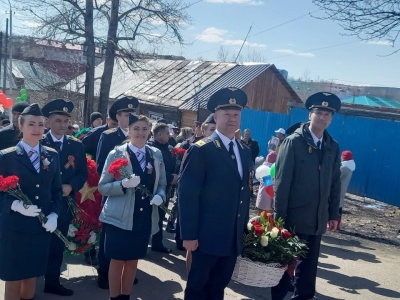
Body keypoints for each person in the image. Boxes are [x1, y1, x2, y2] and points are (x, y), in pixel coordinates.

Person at [179, 87, 253, 299]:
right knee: (197, 288)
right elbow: (188, 194)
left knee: (218, 288)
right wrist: (189, 235)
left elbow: (244, 191)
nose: (232, 119)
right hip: (205, 236)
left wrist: (244, 231)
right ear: (216, 116)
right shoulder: (202, 149)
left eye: (236, 114)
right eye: (227, 114)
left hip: (231, 236)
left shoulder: (244, 150)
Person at [273, 92, 342, 300]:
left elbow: (335, 182)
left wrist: (333, 213)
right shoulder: (294, 143)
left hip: (317, 219)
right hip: (294, 219)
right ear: (310, 115)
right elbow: (282, 183)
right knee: (284, 266)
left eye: (327, 114)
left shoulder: (333, 146)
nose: (322, 118)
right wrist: (280, 218)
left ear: (331, 118)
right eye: (319, 113)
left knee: (309, 269)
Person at [98, 114, 167, 300]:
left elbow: (162, 184)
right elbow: (102, 187)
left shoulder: (156, 155)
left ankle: (126, 296)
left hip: (143, 217)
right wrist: (123, 185)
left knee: (132, 260)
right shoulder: (116, 154)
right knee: (118, 259)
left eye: (145, 129)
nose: (141, 133)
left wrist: (160, 196)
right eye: (136, 128)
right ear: (128, 130)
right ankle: (114, 297)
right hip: (119, 217)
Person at [0, 103, 62, 300]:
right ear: (21, 126)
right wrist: (14, 205)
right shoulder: (6, 157)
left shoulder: (51, 155)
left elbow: (57, 190)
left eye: (41, 125)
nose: (37, 129)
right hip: (15, 227)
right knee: (14, 276)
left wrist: (54, 214)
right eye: (31, 124)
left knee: (31, 275)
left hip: (40, 227)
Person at [41, 99, 88, 296]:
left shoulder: (76, 145)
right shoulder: (40, 142)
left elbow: (82, 173)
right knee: (37, 242)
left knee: (57, 244)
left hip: (65, 203)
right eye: (58, 120)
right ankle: (29, 280)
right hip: (41, 202)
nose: (63, 125)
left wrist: (72, 186)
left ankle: (52, 281)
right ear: (48, 122)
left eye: (65, 121)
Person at [96, 96, 139, 289]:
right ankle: (104, 272)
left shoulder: (139, 135)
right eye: (126, 114)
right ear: (118, 116)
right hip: (114, 192)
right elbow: (100, 167)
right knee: (110, 237)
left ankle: (126, 272)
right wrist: (122, 182)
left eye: (132, 114)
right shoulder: (109, 136)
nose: (130, 118)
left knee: (130, 235)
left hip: (135, 196)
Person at [147, 122, 177, 254]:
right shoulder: (151, 148)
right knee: (153, 217)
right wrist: (171, 178)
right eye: (167, 132)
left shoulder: (167, 148)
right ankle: (154, 243)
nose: (169, 135)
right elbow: (153, 170)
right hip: (154, 189)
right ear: (159, 134)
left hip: (166, 188)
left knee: (160, 216)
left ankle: (157, 243)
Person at [338, 150, 356, 230]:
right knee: (339, 206)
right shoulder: (349, 167)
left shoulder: (344, 168)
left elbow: (336, 176)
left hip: (337, 188)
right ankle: (337, 224)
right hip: (342, 188)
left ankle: (335, 224)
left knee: (335, 206)